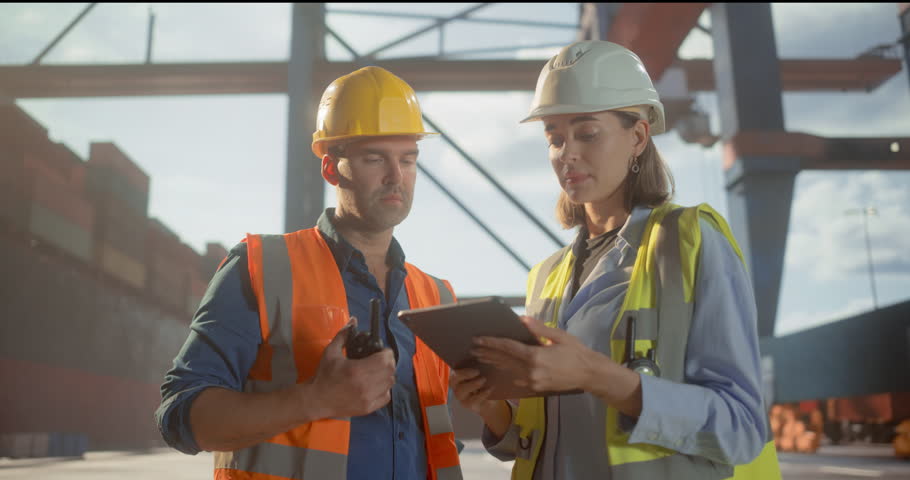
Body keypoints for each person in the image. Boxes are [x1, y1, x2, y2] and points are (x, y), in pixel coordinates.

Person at [451, 41, 782, 479]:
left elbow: (741, 428)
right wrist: (493, 407)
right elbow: (541, 439)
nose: (566, 153)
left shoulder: (689, 242)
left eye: (587, 134)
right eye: (554, 137)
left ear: (638, 137)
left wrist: (599, 375)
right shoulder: (546, 277)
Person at [155, 66, 463, 480]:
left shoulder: (436, 297)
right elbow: (179, 417)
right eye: (375, 158)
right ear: (331, 169)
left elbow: (435, 441)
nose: (396, 176)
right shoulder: (261, 267)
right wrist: (316, 400)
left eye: (408, 159)